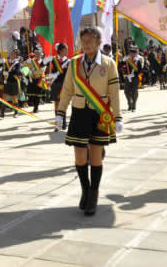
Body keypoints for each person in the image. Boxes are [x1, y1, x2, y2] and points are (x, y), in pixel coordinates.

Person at [56, 26, 122, 216]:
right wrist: (60, 112)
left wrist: (117, 117)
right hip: (79, 113)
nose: (86, 45)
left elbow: (114, 93)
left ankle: (94, 193)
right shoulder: (74, 63)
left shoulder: (109, 64)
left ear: (99, 42)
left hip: (100, 114)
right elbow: (67, 89)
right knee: (79, 156)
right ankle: (85, 188)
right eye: (83, 41)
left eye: (90, 41)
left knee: (95, 155)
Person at [48, 44, 70, 132]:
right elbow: (46, 68)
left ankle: (64, 122)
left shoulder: (68, 61)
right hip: (55, 84)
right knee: (56, 104)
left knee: (63, 103)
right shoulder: (52, 60)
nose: (67, 51)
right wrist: (50, 76)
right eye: (65, 49)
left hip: (64, 84)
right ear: (60, 51)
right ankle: (58, 123)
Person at [24, 49, 48, 113]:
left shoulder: (43, 62)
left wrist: (34, 72)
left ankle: (36, 107)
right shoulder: (31, 61)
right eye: (36, 54)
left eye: (39, 54)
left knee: (38, 94)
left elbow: (42, 70)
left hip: (39, 79)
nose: (37, 55)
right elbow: (24, 68)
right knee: (33, 95)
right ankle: (35, 105)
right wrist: (28, 71)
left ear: (41, 55)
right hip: (32, 79)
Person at [0, 48, 22, 118]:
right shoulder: (6, 62)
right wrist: (3, 72)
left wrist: (10, 72)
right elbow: (2, 69)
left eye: (13, 54)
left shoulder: (17, 63)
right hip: (7, 81)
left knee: (14, 97)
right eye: (11, 54)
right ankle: (2, 112)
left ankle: (16, 112)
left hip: (14, 81)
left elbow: (17, 72)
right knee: (4, 96)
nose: (12, 55)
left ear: (16, 55)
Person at [122, 46, 143, 111]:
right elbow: (121, 67)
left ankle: (134, 104)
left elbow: (140, 70)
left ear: (136, 53)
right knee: (126, 91)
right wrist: (122, 61)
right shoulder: (126, 60)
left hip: (134, 78)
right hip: (127, 77)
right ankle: (129, 102)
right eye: (131, 52)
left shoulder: (137, 61)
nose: (132, 54)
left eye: (134, 52)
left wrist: (134, 74)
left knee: (134, 91)